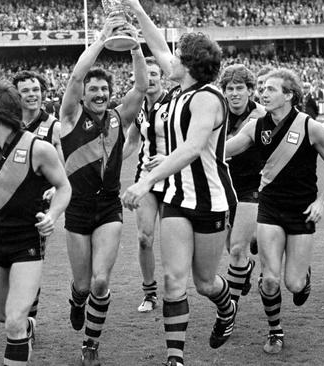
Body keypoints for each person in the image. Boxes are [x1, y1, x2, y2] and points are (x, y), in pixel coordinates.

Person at [122, 2, 238, 365]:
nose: (167, 61)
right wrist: (136, 8)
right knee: (173, 280)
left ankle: (226, 306)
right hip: (175, 198)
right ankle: (176, 358)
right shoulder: (180, 92)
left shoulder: (207, 97)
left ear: (186, 65)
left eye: (176, 58)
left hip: (209, 200)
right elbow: (157, 45)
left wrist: (146, 182)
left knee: (204, 282)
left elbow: (191, 148)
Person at [225, 68, 324, 354]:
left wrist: (321, 202)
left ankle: (304, 278)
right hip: (268, 209)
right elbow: (224, 149)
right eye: (263, 88)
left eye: (271, 89)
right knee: (269, 278)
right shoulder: (256, 126)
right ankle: (275, 331)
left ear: (289, 95)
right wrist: (184, 152)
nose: (263, 93)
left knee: (293, 282)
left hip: (301, 213)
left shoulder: (310, 127)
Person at [0, 81, 71, 365]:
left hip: (27, 242)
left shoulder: (38, 149)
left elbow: (64, 187)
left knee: (13, 321)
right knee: (1, 315)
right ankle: (27, 327)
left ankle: (22, 326)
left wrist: (52, 215)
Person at [59, 16, 147, 365]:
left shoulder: (118, 117)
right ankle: (76, 300)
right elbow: (77, 76)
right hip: (77, 209)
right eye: (93, 90)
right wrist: (103, 39)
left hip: (109, 207)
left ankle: (91, 343)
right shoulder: (68, 118)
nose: (99, 94)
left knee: (99, 281)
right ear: (84, 94)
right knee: (82, 286)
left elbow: (140, 88)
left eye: (104, 90)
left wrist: (136, 48)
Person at [122, 56, 176, 313]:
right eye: (146, 75)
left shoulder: (175, 102)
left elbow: (191, 139)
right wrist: (109, 162)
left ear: (161, 77)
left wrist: (169, 158)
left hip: (174, 178)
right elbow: (132, 141)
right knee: (144, 238)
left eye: (155, 73)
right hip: (145, 180)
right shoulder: (139, 106)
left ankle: (175, 290)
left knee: (171, 239)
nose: (151, 78)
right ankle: (150, 292)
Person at [12, 70, 64, 322]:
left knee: (31, 264)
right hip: (5, 206)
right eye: (26, 91)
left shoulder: (53, 127)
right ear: (16, 95)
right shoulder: (7, 124)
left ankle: (29, 320)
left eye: (36, 90)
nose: (32, 95)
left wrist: (55, 188)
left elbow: (63, 170)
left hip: (38, 210)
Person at [220, 64, 265, 306]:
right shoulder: (217, 113)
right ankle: (246, 267)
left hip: (252, 185)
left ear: (250, 90)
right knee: (231, 246)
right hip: (223, 185)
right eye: (230, 88)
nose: (235, 93)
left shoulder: (263, 115)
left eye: (240, 88)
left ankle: (230, 307)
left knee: (238, 246)